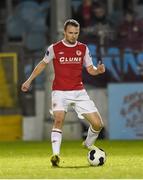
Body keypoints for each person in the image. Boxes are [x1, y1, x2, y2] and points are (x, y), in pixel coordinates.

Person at [21, 19, 105, 167]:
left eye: (76, 33)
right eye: (71, 33)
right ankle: (55, 155)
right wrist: (29, 80)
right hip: (60, 92)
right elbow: (42, 64)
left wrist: (98, 71)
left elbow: (90, 69)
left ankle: (88, 143)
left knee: (98, 124)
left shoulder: (83, 48)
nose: (73, 36)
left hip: (79, 92)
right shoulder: (54, 48)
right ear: (64, 32)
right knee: (58, 119)